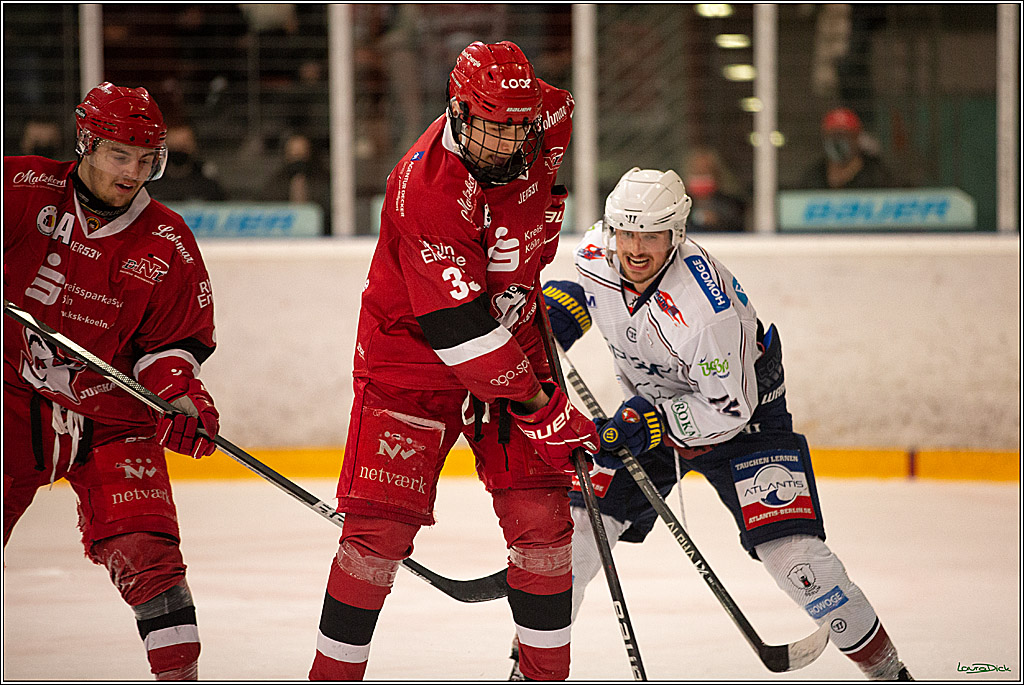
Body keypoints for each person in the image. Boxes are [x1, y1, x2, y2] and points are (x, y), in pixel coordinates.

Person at [528, 167, 913, 681]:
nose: (635, 249)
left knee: (798, 563)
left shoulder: (706, 314)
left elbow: (729, 411)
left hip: (746, 422)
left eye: (652, 236)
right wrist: (555, 315)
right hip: (650, 414)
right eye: (627, 232)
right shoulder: (598, 251)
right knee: (572, 537)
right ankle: (527, 671)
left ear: (677, 235)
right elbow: (581, 287)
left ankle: (891, 674)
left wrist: (655, 421)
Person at [308, 41, 599, 681]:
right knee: (376, 536)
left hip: (515, 333)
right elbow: (461, 334)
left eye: (517, 126)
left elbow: (552, 129)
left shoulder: (547, 115)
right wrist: (542, 408)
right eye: (492, 127)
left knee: (545, 526)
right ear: (458, 109)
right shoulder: (428, 188)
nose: (506, 142)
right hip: (411, 358)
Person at [3, 82, 221, 680]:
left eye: (148, 157)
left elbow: (172, 344)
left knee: (151, 557)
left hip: (113, 416)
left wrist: (179, 394)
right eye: (121, 154)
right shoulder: (18, 188)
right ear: (86, 144)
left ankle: (178, 676)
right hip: (12, 399)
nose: (135, 171)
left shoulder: (169, 239)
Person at [799, 107, 895, 190]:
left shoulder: (877, 176)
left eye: (843, 135)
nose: (836, 140)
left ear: (857, 138)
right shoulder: (814, 176)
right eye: (831, 135)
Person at [147, 122, 227, 202]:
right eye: (174, 146)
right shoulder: (151, 183)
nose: (179, 152)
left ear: (194, 146)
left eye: (184, 147)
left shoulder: (208, 186)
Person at [682, 146, 747, 232]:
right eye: (697, 172)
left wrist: (718, 221)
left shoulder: (732, 206)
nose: (701, 178)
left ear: (716, 174)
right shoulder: (679, 207)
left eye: (705, 172)